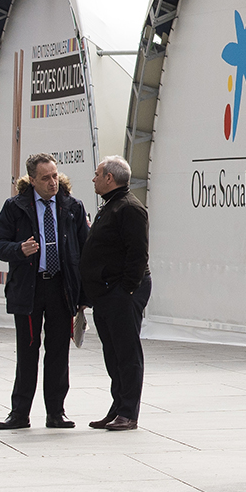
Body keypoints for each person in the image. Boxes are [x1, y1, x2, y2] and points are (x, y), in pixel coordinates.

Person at [0, 153, 88, 430]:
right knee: (27, 351)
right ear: (32, 180)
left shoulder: (72, 207)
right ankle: (20, 413)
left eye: (55, 175)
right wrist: (18, 249)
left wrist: (83, 296)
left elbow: (85, 250)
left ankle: (56, 412)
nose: (52, 182)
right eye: (45, 178)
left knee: (58, 352)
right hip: (30, 288)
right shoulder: (15, 207)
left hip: (61, 287)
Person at [81, 155, 150, 431]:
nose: (94, 179)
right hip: (106, 293)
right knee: (112, 352)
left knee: (126, 352)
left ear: (110, 178)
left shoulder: (130, 208)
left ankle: (128, 412)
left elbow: (137, 254)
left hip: (122, 292)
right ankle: (117, 405)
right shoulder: (111, 206)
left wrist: (126, 290)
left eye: (97, 174)